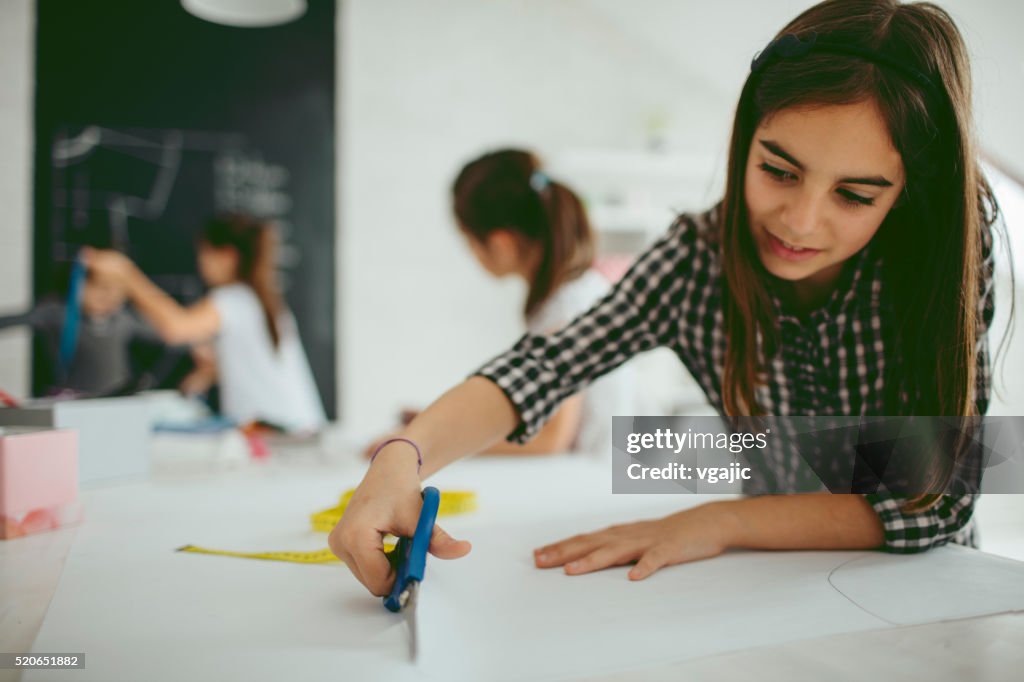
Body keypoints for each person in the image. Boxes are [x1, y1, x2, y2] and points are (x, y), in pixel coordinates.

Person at [331, 0, 1008, 596]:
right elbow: (544, 366)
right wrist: (402, 455)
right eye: (777, 169)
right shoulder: (696, 258)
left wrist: (720, 517)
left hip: (926, 591)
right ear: (745, 138)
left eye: (855, 195)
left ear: (908, 189)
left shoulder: (945, 247)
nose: (801, 221)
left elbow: (935, 500)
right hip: (768, 583)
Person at [367, 149, 634, 457]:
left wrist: (426, 445)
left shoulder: (564, 308)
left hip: (599, 474)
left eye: (469, 241)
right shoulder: (576, 290)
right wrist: (440, 425)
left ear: (500, 243)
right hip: (603, 466)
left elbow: (550, 437)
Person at [83, 214, 326, 432]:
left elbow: (177, 328)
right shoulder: (263, 301)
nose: (201, 264)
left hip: (276, 432)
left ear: (228, 256)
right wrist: (212, 370)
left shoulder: (232, 299)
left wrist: (128, 275)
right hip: (302, 426)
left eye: (205, 254)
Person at [0, 267, 169, 396]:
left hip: (116, 399)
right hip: (74, 399)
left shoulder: (122, 319)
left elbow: (166, 333)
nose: (109, 295)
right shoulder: (59, 313)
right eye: (99, 286)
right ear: (76, 283)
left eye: (117, 289)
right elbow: (11, 320)